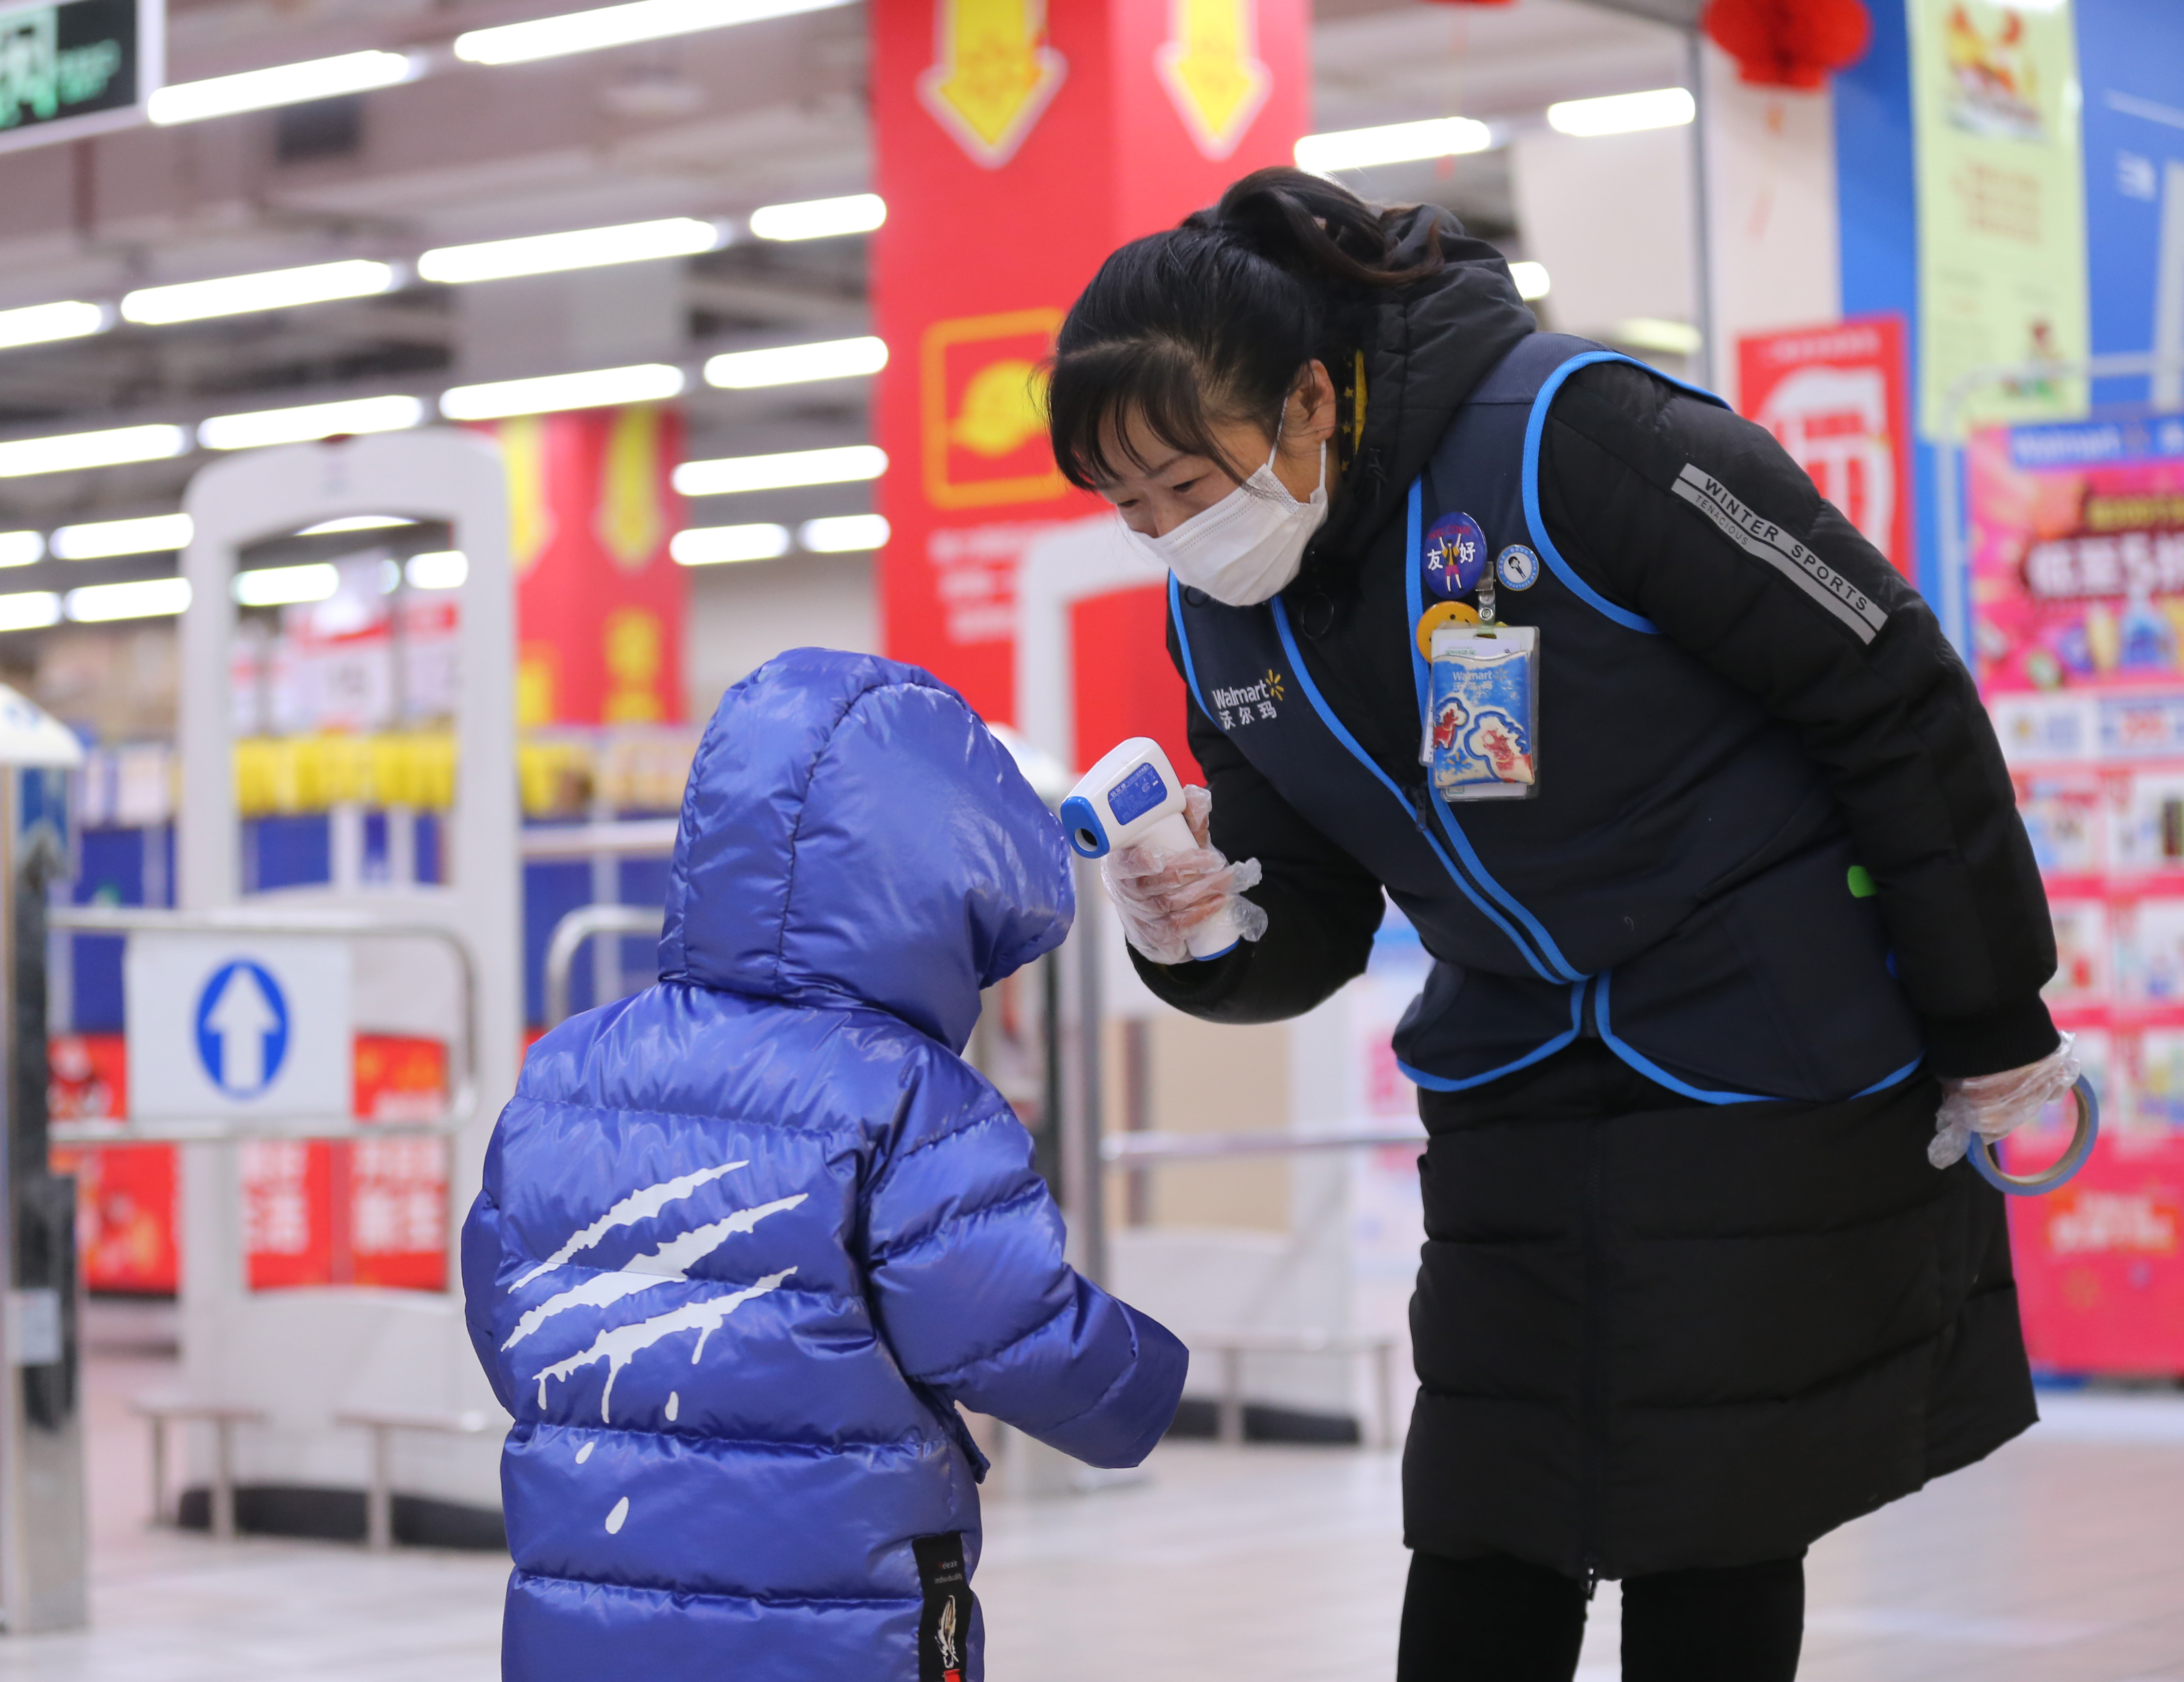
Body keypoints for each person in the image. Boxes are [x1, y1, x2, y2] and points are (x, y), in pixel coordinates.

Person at [1046, 166, 2075, 1682]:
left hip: (1756, 1051)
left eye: (1189, 489)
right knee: (1482, 1513)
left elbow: (1892, 692)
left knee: (1711, 1512)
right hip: (1513, 1071)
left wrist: (1995, 1021)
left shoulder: (1579, 438)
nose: (1168, 536)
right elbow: (1312, 916)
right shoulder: (1225, 613)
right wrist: (1198, 933)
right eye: (1129, 509)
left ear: (1314, 404)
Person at [461, 649, 1188, 1682]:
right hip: (841, 1618)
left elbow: (509, 1321)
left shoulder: (568, 1071)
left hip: (591, 1605)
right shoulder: (908, 1101)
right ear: (941, 888)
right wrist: (1150, 1390)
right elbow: (1013, 1329)